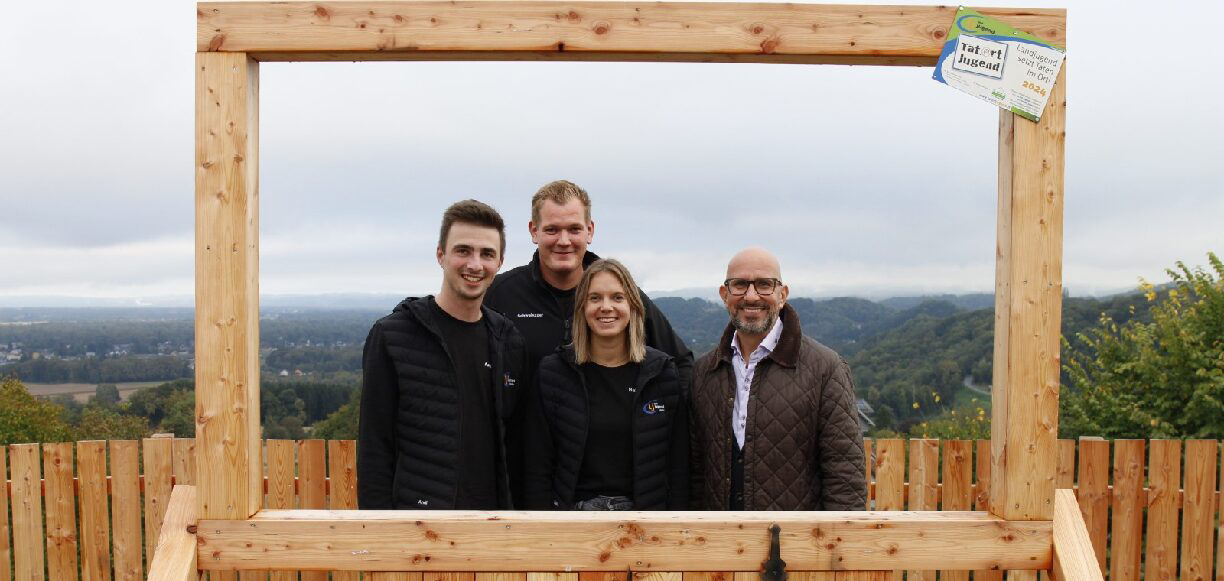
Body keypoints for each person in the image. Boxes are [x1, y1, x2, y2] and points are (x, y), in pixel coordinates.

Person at [358, 199, 529, 510]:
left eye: (487, 254)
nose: (475, 264)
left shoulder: (508, 340)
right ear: (441, 255)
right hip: (418, 529)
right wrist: (379, 537)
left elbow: (515, 444)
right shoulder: (394, 336)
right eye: (463, 250)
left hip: (492, 528)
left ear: (500, 261)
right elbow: (374, 449)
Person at [689, 247, 867, 511]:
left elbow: (845, 479)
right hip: (719, 544)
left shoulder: (825, 369)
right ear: (724, 295)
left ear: (782, 294)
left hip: (797, 547)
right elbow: (694, 474)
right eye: (739, 285)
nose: (751, 296)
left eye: (764, 284)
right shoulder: (704, 371)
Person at [484, 180, 694, 388]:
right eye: (552, 230)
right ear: (534, 231)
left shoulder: (620, 295)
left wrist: (666, 416)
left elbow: (682, 364)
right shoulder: (500, 293)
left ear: (590, 230)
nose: (564, 241)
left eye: (574, 229)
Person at [525, 259, 688, 510]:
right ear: (582, 307)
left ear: (633, 306)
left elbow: (678, 466)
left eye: (617, 298)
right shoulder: (554, 373)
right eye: (595, 298)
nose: (606, 307)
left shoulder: (661, 373)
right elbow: (537, 465)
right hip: (574, 517)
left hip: (644, 520)